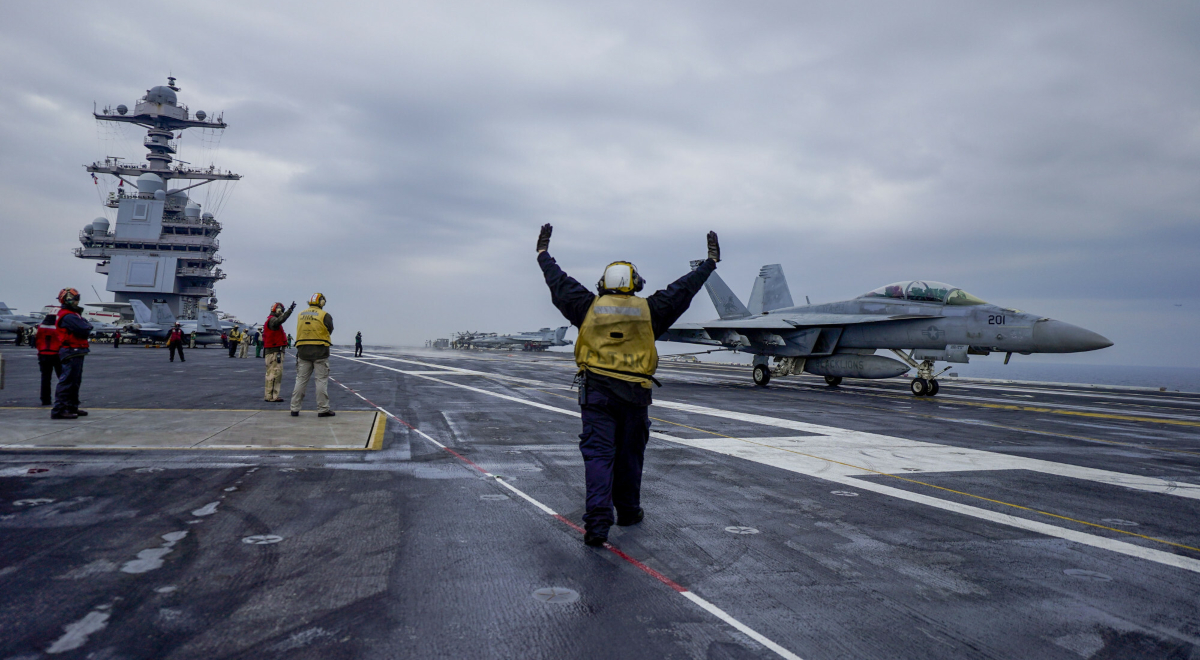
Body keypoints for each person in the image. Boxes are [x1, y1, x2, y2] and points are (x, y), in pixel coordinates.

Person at [536, 224, 719, 546]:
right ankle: (629, 511)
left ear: (602, 284)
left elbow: (559, 282)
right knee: (631, 456)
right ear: (636, 284)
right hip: (636, 396)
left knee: (598, 456)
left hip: (596, 394)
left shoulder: (586, 306)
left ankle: (597, 523)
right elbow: (683, 289)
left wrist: (543, 255)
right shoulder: (651, 310)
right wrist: (709, 264)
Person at [290, 293, 335, 417]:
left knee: (300, 380)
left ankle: (294, 408)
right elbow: (330, 329)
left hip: (303, 350)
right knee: (321, 381)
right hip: (320, 350)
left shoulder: (300, 314)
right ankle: (323, 409)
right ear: (321, 302)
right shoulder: (324, 315)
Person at [52, 288, 93, 420]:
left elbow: (85, 326)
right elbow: (85, 328)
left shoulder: (72, 314)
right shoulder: (69, 315)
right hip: (71, 350)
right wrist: (86, 325)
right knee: (68, 381)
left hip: (76, 350)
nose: (77, 301)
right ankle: (59, 410)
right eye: (76, 298)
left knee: (74, 381)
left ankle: (71, 407)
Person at [262, 301, 295, 402]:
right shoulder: (273, 321)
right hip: (274, 353)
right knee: (274, 374)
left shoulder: (270, 320)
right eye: (280, 309)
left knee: (272, 374)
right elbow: (280, 320)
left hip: (273, 351)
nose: (281, 311)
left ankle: (270, 396)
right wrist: (289, 311)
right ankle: (272, 396)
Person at [33, 313, 62, 406]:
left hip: (43, 354)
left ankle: (45, 399)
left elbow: (37, 340)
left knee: (45, 378)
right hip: (56, 354)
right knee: (62, 378)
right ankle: (62, 398)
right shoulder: (57, 327)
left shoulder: (41, 327)